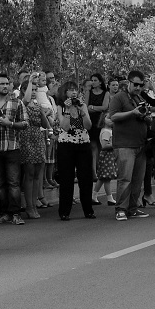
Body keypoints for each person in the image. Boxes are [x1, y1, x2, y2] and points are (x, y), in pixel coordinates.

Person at [109, 70, 151, 221]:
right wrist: (132, 113)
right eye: (135, 84)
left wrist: (146, 116)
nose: (138, 87)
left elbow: (148, 118)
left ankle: (132, 208)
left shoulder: (140, 97)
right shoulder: (119, 97)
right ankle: (120, 208)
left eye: (141, 85)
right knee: (125, 178)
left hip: (140, 144)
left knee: (137, 179)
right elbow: (112, 116)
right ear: (128, 83)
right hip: (124, 145)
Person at [0, 74, 28, 225]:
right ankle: (5, 213)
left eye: (7, 83)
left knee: (13, 182)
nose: (5, 86)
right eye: (2, 84)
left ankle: (16, 213)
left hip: (12, 147)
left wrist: (9, 123)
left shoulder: (16, 102)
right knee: (1, 183)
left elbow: (25, 123)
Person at [55, 81, 95, 220]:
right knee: (66, 178)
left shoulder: (82, 105)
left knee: (86, 178)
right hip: (66, 144)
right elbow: (64, 127)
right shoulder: (60, 107)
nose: (73, 93)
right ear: (64, 93)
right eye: (70, 90)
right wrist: (67, 111)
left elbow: (88, 126)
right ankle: (64, 211)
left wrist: (82, 112)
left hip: (83, 143)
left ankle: (88, 210)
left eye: (75, 90)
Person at [18, 73, 54, 218]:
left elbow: (46, 124)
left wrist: (45, 112)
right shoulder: (22, 102)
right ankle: (29, 206)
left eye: (35, 89)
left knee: (37, 173)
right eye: (31, 89)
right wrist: (30, 80)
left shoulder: (37, 104)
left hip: (38, 138)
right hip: (26, 137)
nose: (33, 92)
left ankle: (34, 203)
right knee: (29, 173)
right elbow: (26, 100)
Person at [86, 73, 110, 188]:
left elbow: (105, 107)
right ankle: (94, 172)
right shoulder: (88, 92)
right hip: (91, 121)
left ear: (100, 82)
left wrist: (92, 107)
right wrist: (91, 108)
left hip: (100, 121)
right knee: (93, 147)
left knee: (101, 147)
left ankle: (102, 171)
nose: (93, 82)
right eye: (92, 80)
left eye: (95, 80)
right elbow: (85, 107)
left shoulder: (106, 93)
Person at [93, 116, 117, 206]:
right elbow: (104, 145)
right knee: (106, 177)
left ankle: (94, 196)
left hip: (109, 156)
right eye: (109, 118)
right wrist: (115, 143)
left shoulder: (109, 131)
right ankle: (109, 198)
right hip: (107, 156)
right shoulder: (106, 132)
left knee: (103, 177)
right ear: (103, 119)